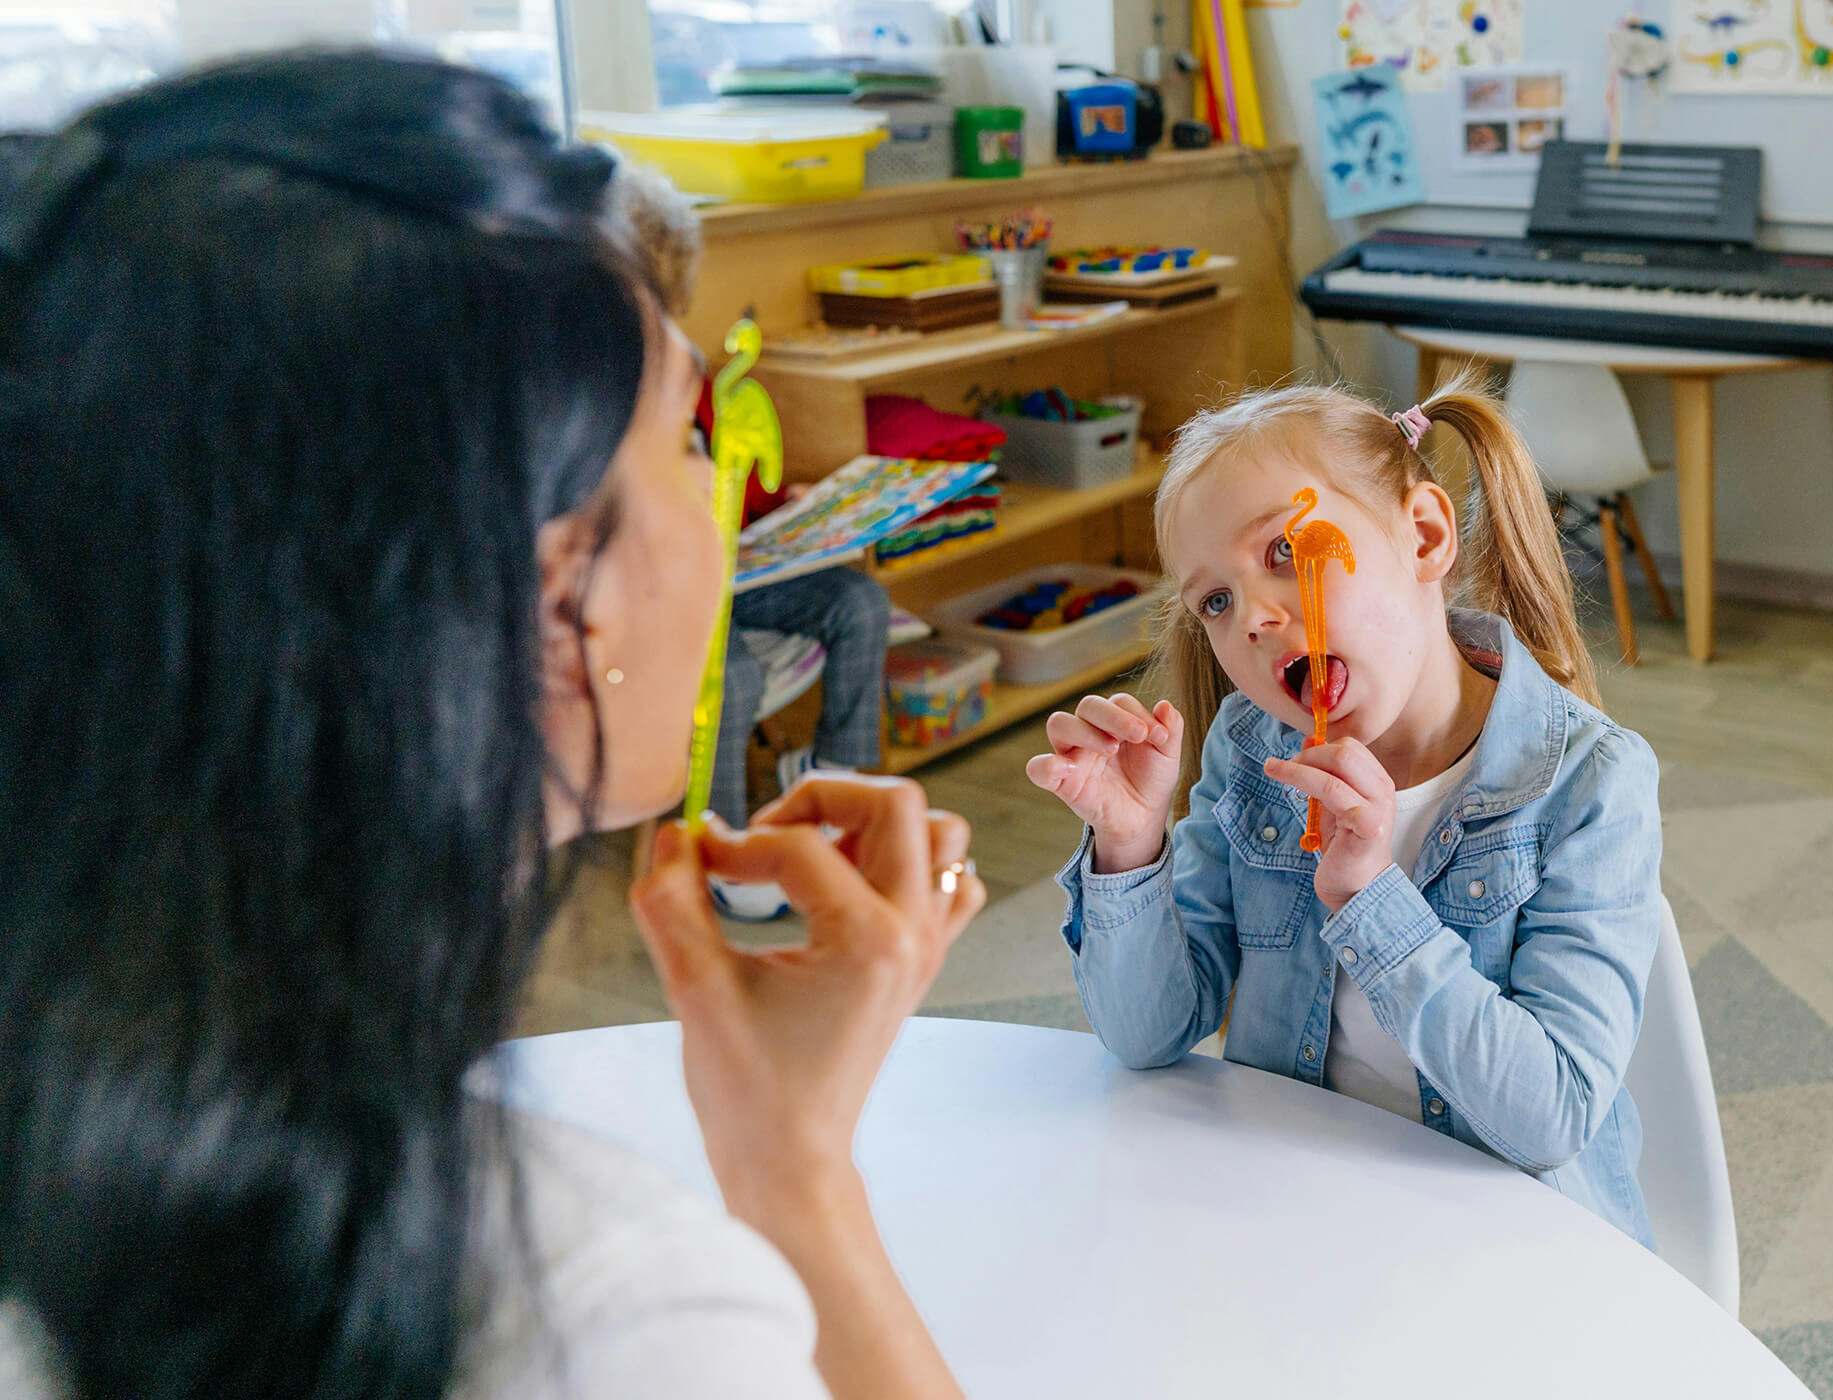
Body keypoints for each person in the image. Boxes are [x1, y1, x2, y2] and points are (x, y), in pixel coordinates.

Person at [0, 51, 978, 1399]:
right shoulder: (610, 1314)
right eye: (686, 440)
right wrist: (794, 1175)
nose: (710, 487)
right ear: (560, 600)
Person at [1027, 380, 1665, 1243]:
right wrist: (1130, 845)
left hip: (1516, 1243)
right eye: (1214, 600)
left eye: (1286, 553)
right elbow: (1148, 1036)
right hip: (1304, 1210)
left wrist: (1372, 902)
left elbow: (1551, 1116)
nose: (1252, 615)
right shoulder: (1254, 752)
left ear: (1425, 536)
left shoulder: (1592, 784)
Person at [606, 161, 892, 923]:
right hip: (655, 602)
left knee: (858, 602)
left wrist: (785, 509)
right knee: (724, 675)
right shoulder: (590, 405)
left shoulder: (683, 377)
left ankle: (833, 778)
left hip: (727, 573)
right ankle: (724, 840)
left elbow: (726, 473)